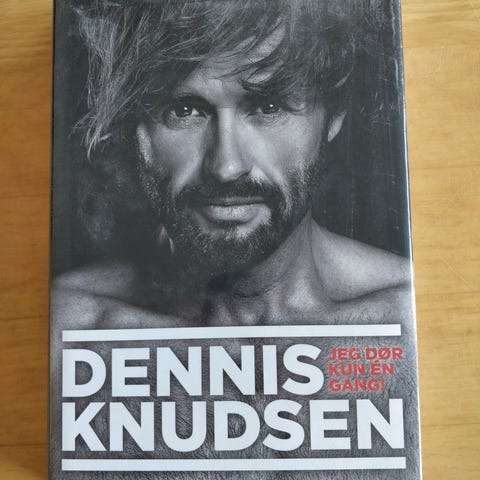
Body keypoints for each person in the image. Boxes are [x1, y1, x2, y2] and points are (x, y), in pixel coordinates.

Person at [52, 0, 413, 330]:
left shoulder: (400, 317)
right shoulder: (77, 325)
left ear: (333, 116)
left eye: (268, 107)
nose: (226, 167)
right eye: (184, 110)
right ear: (133, 128)